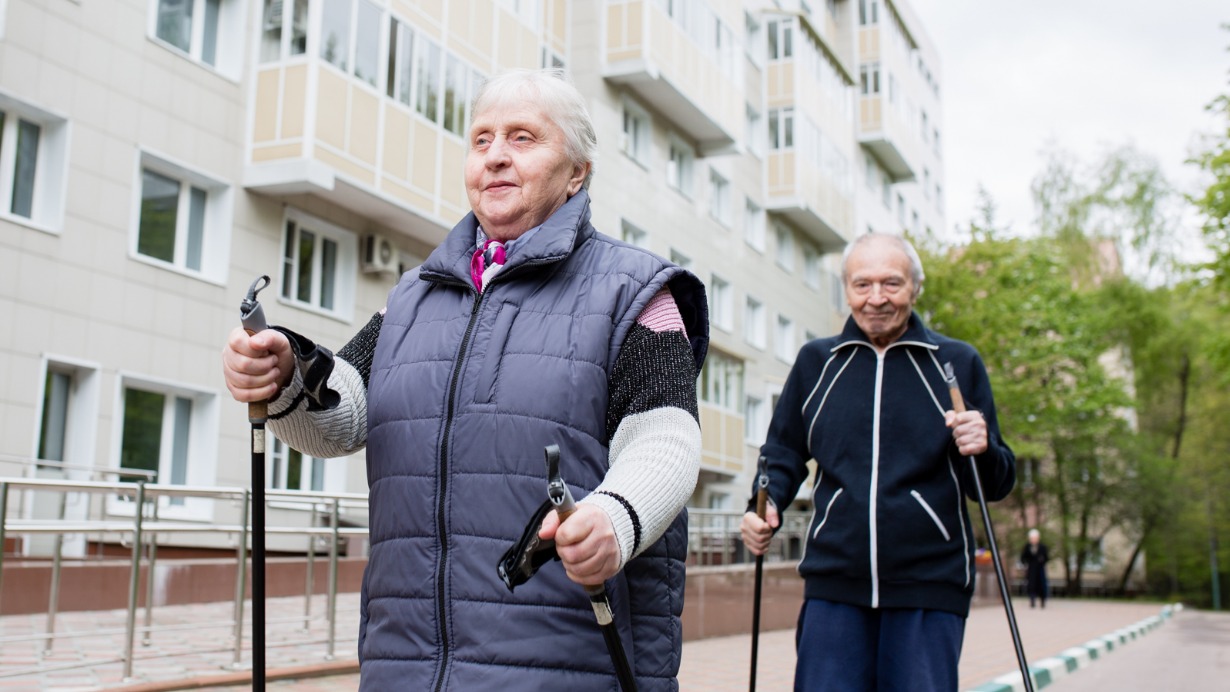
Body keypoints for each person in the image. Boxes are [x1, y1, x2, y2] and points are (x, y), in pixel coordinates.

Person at [222, 68, 708, 690]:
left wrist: (614, 519)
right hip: (405, 665)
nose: (496, 156)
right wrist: (286, 374)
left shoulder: (635, 292)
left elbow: (666, 440)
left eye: (523, 138)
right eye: (481, 140)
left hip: (559, 668)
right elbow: (342, 417)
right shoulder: (412, 296)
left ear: (577, 171)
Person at [740, 232, 1015, 691]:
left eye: (892, 283)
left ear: (915, 287)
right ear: (846, 289)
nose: (876, 299)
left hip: (930, 585)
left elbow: (994, 485)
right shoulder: (817, 362)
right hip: (834, 585)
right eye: (862, 285)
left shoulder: (955, 363)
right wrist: (762, 505)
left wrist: (983, 446)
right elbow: (781, 452)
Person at [1020, 528, 1050, 609]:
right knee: (1031, 585)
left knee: (1041, 585)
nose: (1033, 540)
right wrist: (1026, 563)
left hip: (1040, 569)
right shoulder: (1027, 547)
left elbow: (1047, 558)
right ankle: (1032, 600)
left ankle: (1043, 600)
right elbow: (1023, 557)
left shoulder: (1042, 547)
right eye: (1032, 538)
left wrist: (1042, 560)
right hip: (1031, 569)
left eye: (1035, 538)